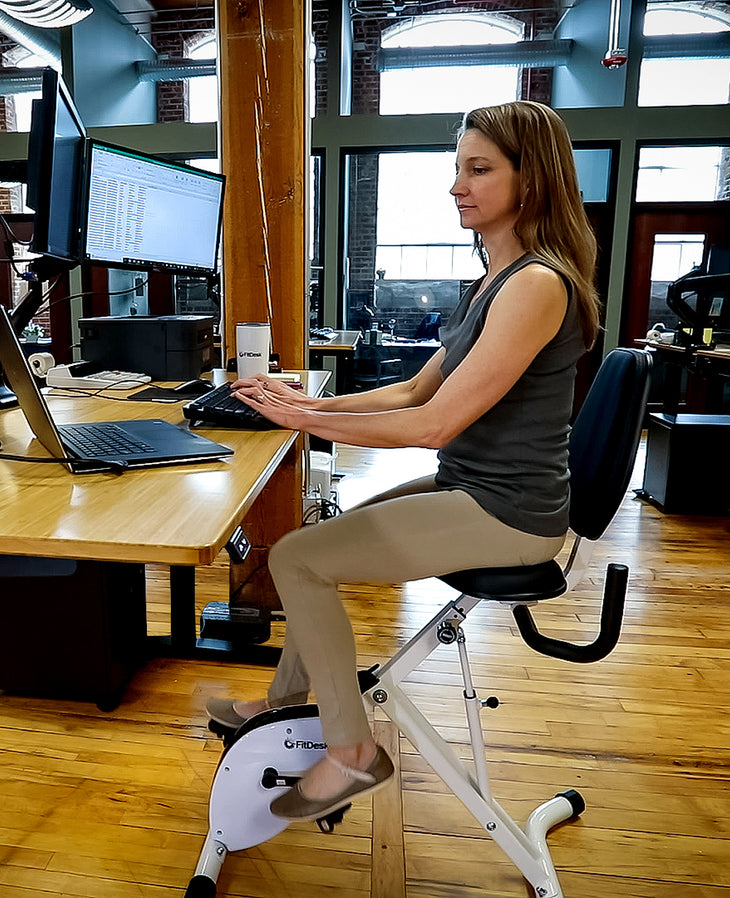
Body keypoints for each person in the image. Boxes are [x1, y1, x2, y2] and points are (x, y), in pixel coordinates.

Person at [206, 100, 601, 823]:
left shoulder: (539, 285)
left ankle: (353, 755)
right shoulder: (495, 281)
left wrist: (300, 420)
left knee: (297, 558)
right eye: (458, 169)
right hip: (476, 489)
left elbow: (435, 422)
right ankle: (283, 703)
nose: (458, 185)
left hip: (509, 514)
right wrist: (311, 407)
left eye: (480, 170)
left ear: (532, 181)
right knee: (316, 552)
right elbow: (417, 388)